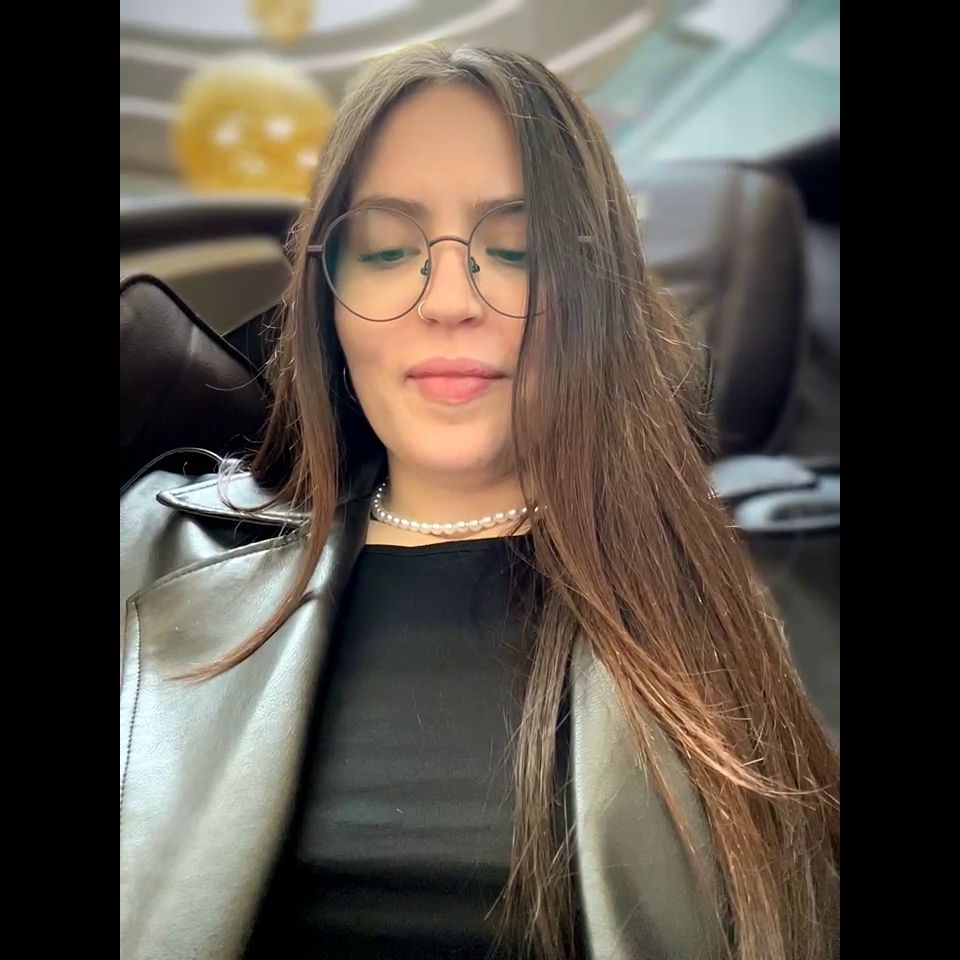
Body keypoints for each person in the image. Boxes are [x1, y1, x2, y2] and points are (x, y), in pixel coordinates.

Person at [120, 43, 839, 960]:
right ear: (328, 302)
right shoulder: (152, 549)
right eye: (388, 248)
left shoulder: (759, 599)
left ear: (596, 295)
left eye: (519, 249)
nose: (451, 301)